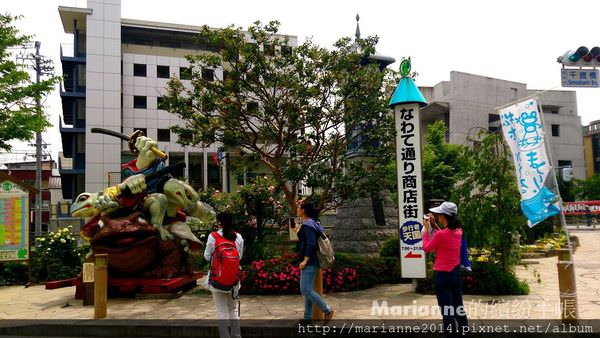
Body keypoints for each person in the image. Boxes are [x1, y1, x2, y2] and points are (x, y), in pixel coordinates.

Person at [423, 201, 468, 337]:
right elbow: (444, 234)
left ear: (444, 216)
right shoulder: (459, 231)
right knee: (458, 306)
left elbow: (426, 248)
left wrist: (425, 230)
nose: (437, 216)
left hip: (442, 276)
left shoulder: (441, 235)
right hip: (455, 274)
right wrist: (434, 225)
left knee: (447, 310)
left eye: (438, 215)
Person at [293, 200, 335, 322]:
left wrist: (305, 260)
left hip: (310, 261)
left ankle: (327, 310)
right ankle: (307, 318)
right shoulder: (313, 223)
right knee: (308, 290)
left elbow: (311, 244)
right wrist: (298, 232)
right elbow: (308, 239)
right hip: (313, 261)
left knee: (305, 290)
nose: (297, 209)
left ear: (304, 210)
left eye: (299, 207)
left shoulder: (308, 224)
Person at [204, 212, 244, 338]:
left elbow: (206, 257)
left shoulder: (213, 236)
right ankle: (236, 336)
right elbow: (239, 257)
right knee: (233, 309)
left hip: (217, 279)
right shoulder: (238, 237)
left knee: (221, 310)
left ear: (219, 222)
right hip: (234, 280)